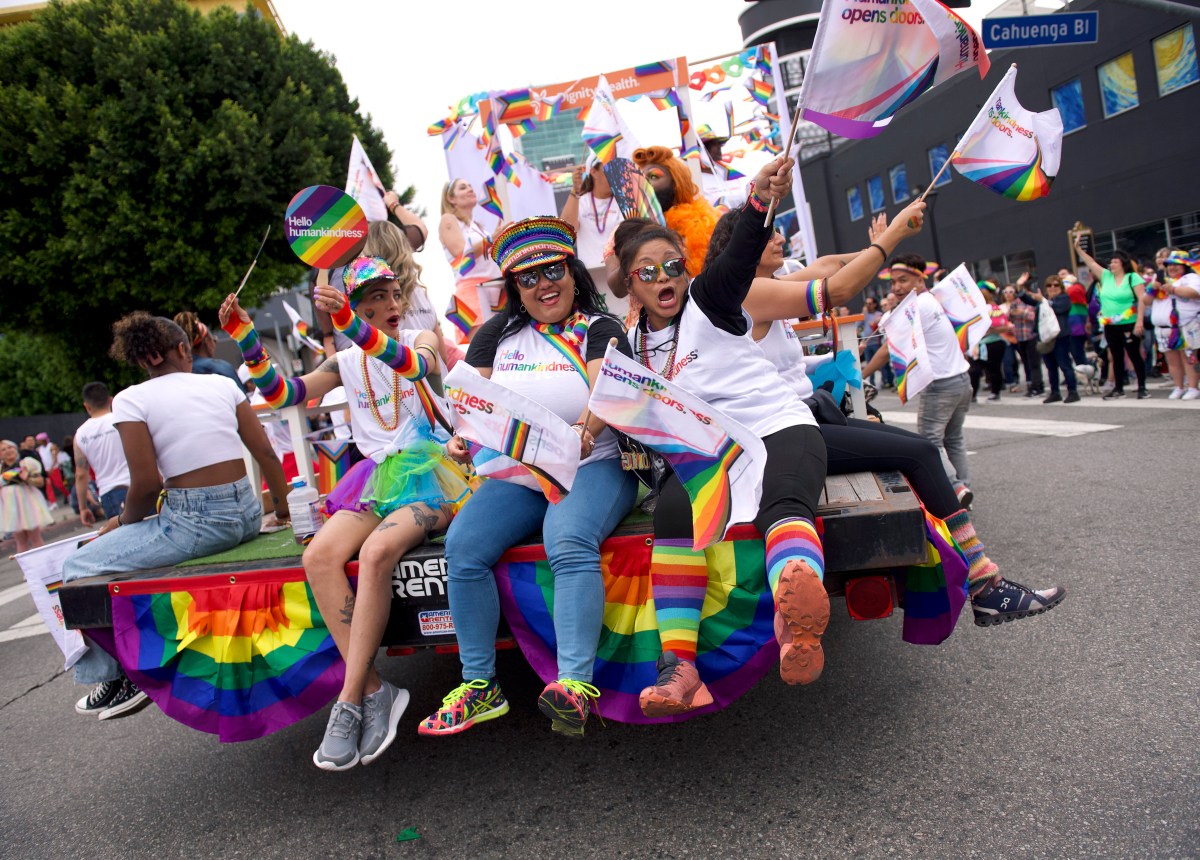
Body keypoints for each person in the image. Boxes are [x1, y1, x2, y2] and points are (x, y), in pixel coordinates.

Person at [704, 206, 1064, 628]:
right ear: (742, 247)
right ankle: (985, 584)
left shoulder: (763, 287)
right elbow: (835, 287)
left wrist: (873, 246)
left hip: (805, 416)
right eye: (769, 236)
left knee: (910, 448)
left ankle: (974, 577)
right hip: (788, 432)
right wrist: (890, 239)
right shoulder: (747, 294)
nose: (782, 240)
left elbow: (825, 265)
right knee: (922, 453)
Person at [220, 256, 475, 770]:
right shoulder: (343, 361)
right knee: (318, 557)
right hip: (375, 478)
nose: (391, 305)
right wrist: (245, 336)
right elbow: (282, 394)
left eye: (393, 294)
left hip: (437, 473)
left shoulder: (423, 337)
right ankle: (377, 691)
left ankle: (347, 701)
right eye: (374, 299)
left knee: (379, 550)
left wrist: (347, 324)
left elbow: (416, 366)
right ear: (355, 306)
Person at [610, 156, 838, 717]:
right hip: (711, 460)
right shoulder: (630, 346)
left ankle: (797, 623)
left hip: (778, 428)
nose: (664, 278)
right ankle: (680, 668)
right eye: (648, 271)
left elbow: (736, 263)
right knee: (669, 516)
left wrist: (758, 203)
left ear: (687, 272)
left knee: (784, 507)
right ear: (631, 287)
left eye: (672, 266)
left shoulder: (709, 303)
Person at [419, 217, 637, 739]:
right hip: (520, 473)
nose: (544, 285)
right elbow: (476, 406)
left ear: (572, 270)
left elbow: (605, 392)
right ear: (514, 288)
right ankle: (480, 686)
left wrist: (585, 429)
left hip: (595, 463)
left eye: (553, 270)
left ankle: (575, 686)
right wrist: (462, 438)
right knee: (463, 545)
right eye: (528, 277)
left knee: (566, 538)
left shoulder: (598, 328)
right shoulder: (495, 335)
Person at [62, 313, 290, 722]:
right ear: (184, 349)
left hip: (194, 523)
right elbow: (268, 456)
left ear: (141, 361)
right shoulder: (222, 385)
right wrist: (284, 514)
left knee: (76, 563)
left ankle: (119, 674)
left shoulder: (131, 399)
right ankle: (127, 667)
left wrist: (121, 523)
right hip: (248, 515)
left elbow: (147, 485)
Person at [862, 254, 974, 509]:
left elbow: (889, 348)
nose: (896, 287)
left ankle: (956, 488)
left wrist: (861, 375)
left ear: (919, 279)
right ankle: (964, 488)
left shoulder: (917, 307)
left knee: (930, 441)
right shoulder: (930, 300)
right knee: (954, 438)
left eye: (903, 280)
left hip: (942, 385)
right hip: (962, 380)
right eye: (893, 283)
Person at [364, 220, 462, 369]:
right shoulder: (421, 292)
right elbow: (442, 355)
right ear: (403, 247)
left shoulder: (371, 300)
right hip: (434, 385)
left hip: (399, 386)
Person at [1075, 242, 1148, 399]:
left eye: (1115, 261)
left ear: (1123, 263)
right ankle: (1119, 388)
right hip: (1110, 324)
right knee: (1115, 356)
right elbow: (1091, 262)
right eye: (1111, 261)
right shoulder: (1106, 276)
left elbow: (1142, 299)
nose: (1112, 264)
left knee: (1134, 354)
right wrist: (1079, 250)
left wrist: (1139, 321)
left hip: (1128, 322)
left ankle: (1142, 387)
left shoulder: (1132, 277)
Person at [560, 154, 626, 316]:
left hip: (618, 276)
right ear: (594, 172)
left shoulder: (623, 200)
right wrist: (575, 191)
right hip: (590, 277)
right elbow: (567, 230)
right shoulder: (581, 201)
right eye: (608, 169)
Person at [439, 178, 503, 343]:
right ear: (451, 199)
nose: (469, 189)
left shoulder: (479, 227)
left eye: (470, 186)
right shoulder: (448, 219)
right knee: (485, 351)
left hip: (496, 289)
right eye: (462, 187)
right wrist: (491, 239)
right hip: (471, 291)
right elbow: (460, 252)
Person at [73, 381, 131, 524]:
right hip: (139, 485)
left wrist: (83, 508)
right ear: (111, 400)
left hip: (109, 493)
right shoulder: (125, 420)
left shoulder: (80, 435)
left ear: (86, 406)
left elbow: (81, 474)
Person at [1145, 250, 1200, 400]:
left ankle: (1193, 387)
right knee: (1172, 361)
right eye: (1169, 265)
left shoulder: (1191, 277)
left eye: (1176, 265)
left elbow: (1194, 292)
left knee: (1189, 358)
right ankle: (1179, 387)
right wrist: (1152, 289)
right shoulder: (1161, 279)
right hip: (1165, 328)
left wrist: (1173, 289)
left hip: (1187, 325)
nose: (1172, 268)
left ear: (1184, 266)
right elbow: (1145, 301)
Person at [0, 439, 53, 552]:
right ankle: (28, 568)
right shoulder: (1, 469)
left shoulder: (26, 463)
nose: (8, 451)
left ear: (15, 448)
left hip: (27, 504)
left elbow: (40, 482)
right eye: (3, 449)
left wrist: (28, 478)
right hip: (11, 508)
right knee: (20, 540)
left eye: (10, 447)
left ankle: (44, 565)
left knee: (35, 537)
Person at [172, 311, 243, 388]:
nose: (215, 342)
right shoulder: (221, 369)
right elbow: (241, 398)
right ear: (207, 342)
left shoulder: (174, 375)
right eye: (213, 338)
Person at [1038, 276, 1080, 404]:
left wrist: (1044, 301)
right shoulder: (1043, 301)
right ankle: (1055, 392)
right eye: (1049, 286)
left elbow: (1059, 308)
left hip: (1061, 336)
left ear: (1061, 287)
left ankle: (1073, 391)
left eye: (1056, 285)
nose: (1052, 288)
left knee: (1065, 364)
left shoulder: (1064, 298)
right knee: (1050, 367)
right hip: (1046, 337)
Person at [1006, 273, 1045, 398]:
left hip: (1031, 335)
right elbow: (1009, 316)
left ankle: (1038, 387)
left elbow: (1035, 316)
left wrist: (1022, 313)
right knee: (1026, 363)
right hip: (1020, 336)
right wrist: (1012, 312)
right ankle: (1032, 386)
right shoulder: (1017, 300)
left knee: (1034, 363)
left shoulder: (1034, 298)